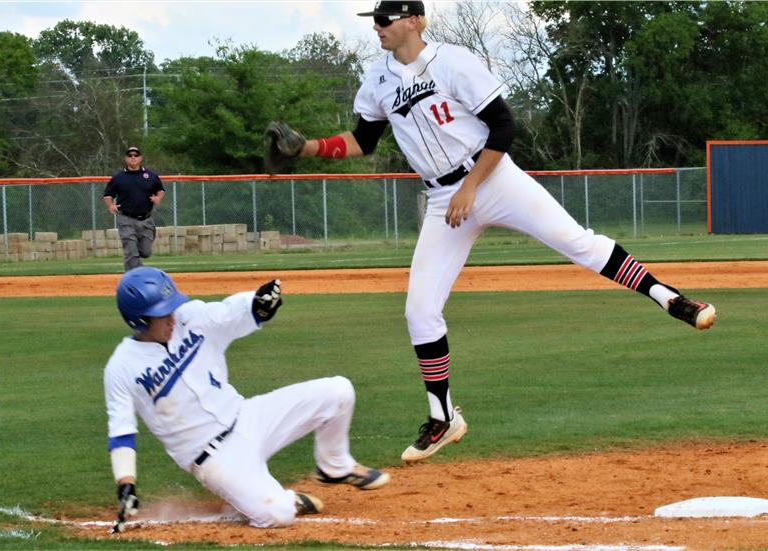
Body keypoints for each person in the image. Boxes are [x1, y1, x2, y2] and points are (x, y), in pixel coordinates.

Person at [267, 0, 716, 464]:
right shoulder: (378, 78)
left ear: (413, 21)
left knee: (577, 242)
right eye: (375, 20)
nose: (377, 27)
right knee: (419, 311)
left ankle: (672, 300)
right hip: (443, 199)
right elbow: (363, 140)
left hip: (494, 179)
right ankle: (443, 418)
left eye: (385, 19)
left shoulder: (452, 61)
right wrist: (306, 148)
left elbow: (503, 127)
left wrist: (471, 187)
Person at [104, 267, 390, 531]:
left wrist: (258, 304)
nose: (172, 317)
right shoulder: (122, 367)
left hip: (249, 417)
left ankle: (334, 466)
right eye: (162, 313)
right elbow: (121, 432)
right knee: (279, 514)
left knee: (338, 391)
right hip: (215, 458)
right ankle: (277, 497)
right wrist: (126, 485)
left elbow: (230, 313)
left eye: (171, 307)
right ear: (139, 320)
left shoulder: (191, 317)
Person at [103, 146, 165, 271]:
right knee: (131, 250)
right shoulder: (119, 177)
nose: (133, 157)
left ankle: (137, 267)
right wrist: (111, 205)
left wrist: (158, 198)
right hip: (126, 218)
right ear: (125, 158)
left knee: (146, 252)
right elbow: (108, 195)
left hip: (146, 220)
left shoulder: (150, 175)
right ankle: (134, 276)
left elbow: (160, 189)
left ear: (140, 158)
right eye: (130, 155)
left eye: (136, 155)